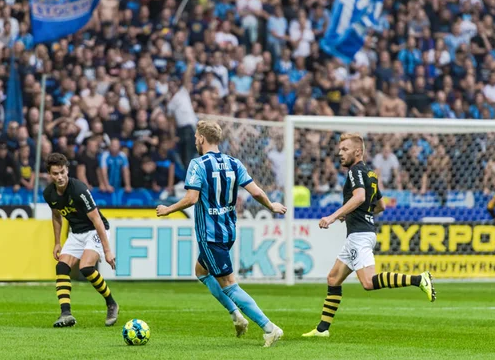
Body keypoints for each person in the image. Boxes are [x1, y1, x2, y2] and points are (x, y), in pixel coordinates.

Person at [155, 120, 286, 347]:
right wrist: (271, 206)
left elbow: (192, 198)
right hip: (229, 230)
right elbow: (255, 191)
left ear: (202, 139)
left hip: (211, 235)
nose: (195, 140)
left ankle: (269, 328)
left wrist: (168, 209)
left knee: (229, 284)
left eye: (196, 137)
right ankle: (236, 316)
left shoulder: (197, 164)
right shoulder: (234, 162)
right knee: (201, 270)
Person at [302, 133, 435, 338]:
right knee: (333, 278)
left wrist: (333, 216)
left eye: (345, 149)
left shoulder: (355, 171)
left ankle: (419, 279)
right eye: (339, 150)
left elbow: (360, 196)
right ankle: (322, 330)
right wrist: (357, 212)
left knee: (368, 282)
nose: (340, 153)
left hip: (360, 235)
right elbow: (380, 205)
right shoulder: (370, 174)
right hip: (361, 232)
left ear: (357, 151)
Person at [43, 153, 119, 328]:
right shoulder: (49, 193)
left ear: (67, 170)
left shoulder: (79, 189)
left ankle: (111, 303)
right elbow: (56, 216)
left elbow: (97, 220)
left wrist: (107, 251)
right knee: (61, 266)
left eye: (62, 172)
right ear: (50, 174)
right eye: (55, 174)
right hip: (76, 233)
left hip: (95, 230)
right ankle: (66, 314)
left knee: (85, 267)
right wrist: (57, 242)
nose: (60, 177)